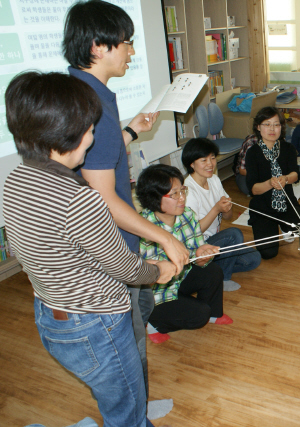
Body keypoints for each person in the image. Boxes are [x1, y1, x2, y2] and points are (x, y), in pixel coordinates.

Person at [3, 71, 176, 427]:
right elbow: (127, 269)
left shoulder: (17, 179)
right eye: (90, 128)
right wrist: (160, 270)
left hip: (51, 317)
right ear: (69, 133)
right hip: (95, 326)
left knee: (114, 396)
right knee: (128, 413)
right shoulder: (79, 199)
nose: (94, 135)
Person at [63, 0, 189, 396]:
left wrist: (130, 132)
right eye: (126, 42)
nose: (132, 51)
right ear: (98, 46)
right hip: (109, 240)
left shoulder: (83, 88)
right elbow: (101, 196)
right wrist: (164, 236)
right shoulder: (91, 101)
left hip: (117, 238)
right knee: (128, 337)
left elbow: (96, 159)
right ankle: (135, 413)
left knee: (142, 310)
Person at [137, 164, 232, 344]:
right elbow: (140, 273)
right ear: (154, 198)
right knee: (199, 315)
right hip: (155, 295)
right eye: (174, 194)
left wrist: (201, 255)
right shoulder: (142, 227)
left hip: (180, 277)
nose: (182, 198)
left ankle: (214, 314)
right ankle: (154, 323)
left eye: (183, 191)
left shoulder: (187, 214)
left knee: (213, 271)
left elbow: (196, 253)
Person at [181, 138, 261, 292]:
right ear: (191, 163)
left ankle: (211, 271)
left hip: (216, 243)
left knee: (254, 259)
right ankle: (222, 278)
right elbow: (194, 232)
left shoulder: (214, 180)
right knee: (234, 234)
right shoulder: (188, 190)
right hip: (199, 245)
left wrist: (226, 208)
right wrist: (216, 209)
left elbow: (228, 217)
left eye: (212, 158)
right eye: (203, 160)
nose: (210, 164)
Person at [245, 107, 300, 259]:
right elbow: (253, 189)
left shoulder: (288, 148)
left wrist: (285, 179)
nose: (272, 129)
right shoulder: (252, 152)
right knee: (268, 253)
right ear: (258, 127)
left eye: (276, 124)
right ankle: (274, 226)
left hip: (286, 201)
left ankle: (284, 225)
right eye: (267, 124)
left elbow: (295, 174)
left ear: (281, 127)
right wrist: (270, 183)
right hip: (262, 206)